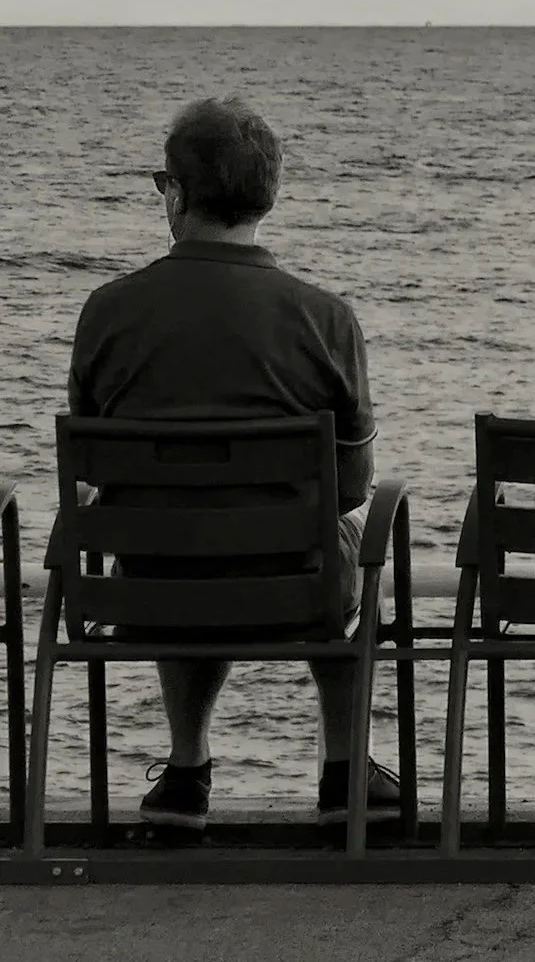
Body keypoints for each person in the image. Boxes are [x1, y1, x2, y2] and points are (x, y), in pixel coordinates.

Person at [67, 96, 392, 836]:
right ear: (267, 197)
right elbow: (350, 487)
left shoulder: (106, 310)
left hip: (147, 590)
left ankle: (186, 774)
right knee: (346, 544)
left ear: (177, 194)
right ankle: (346, 772)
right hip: (293, 591)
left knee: (173, 534)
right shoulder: (325, 316)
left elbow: (90, 465)